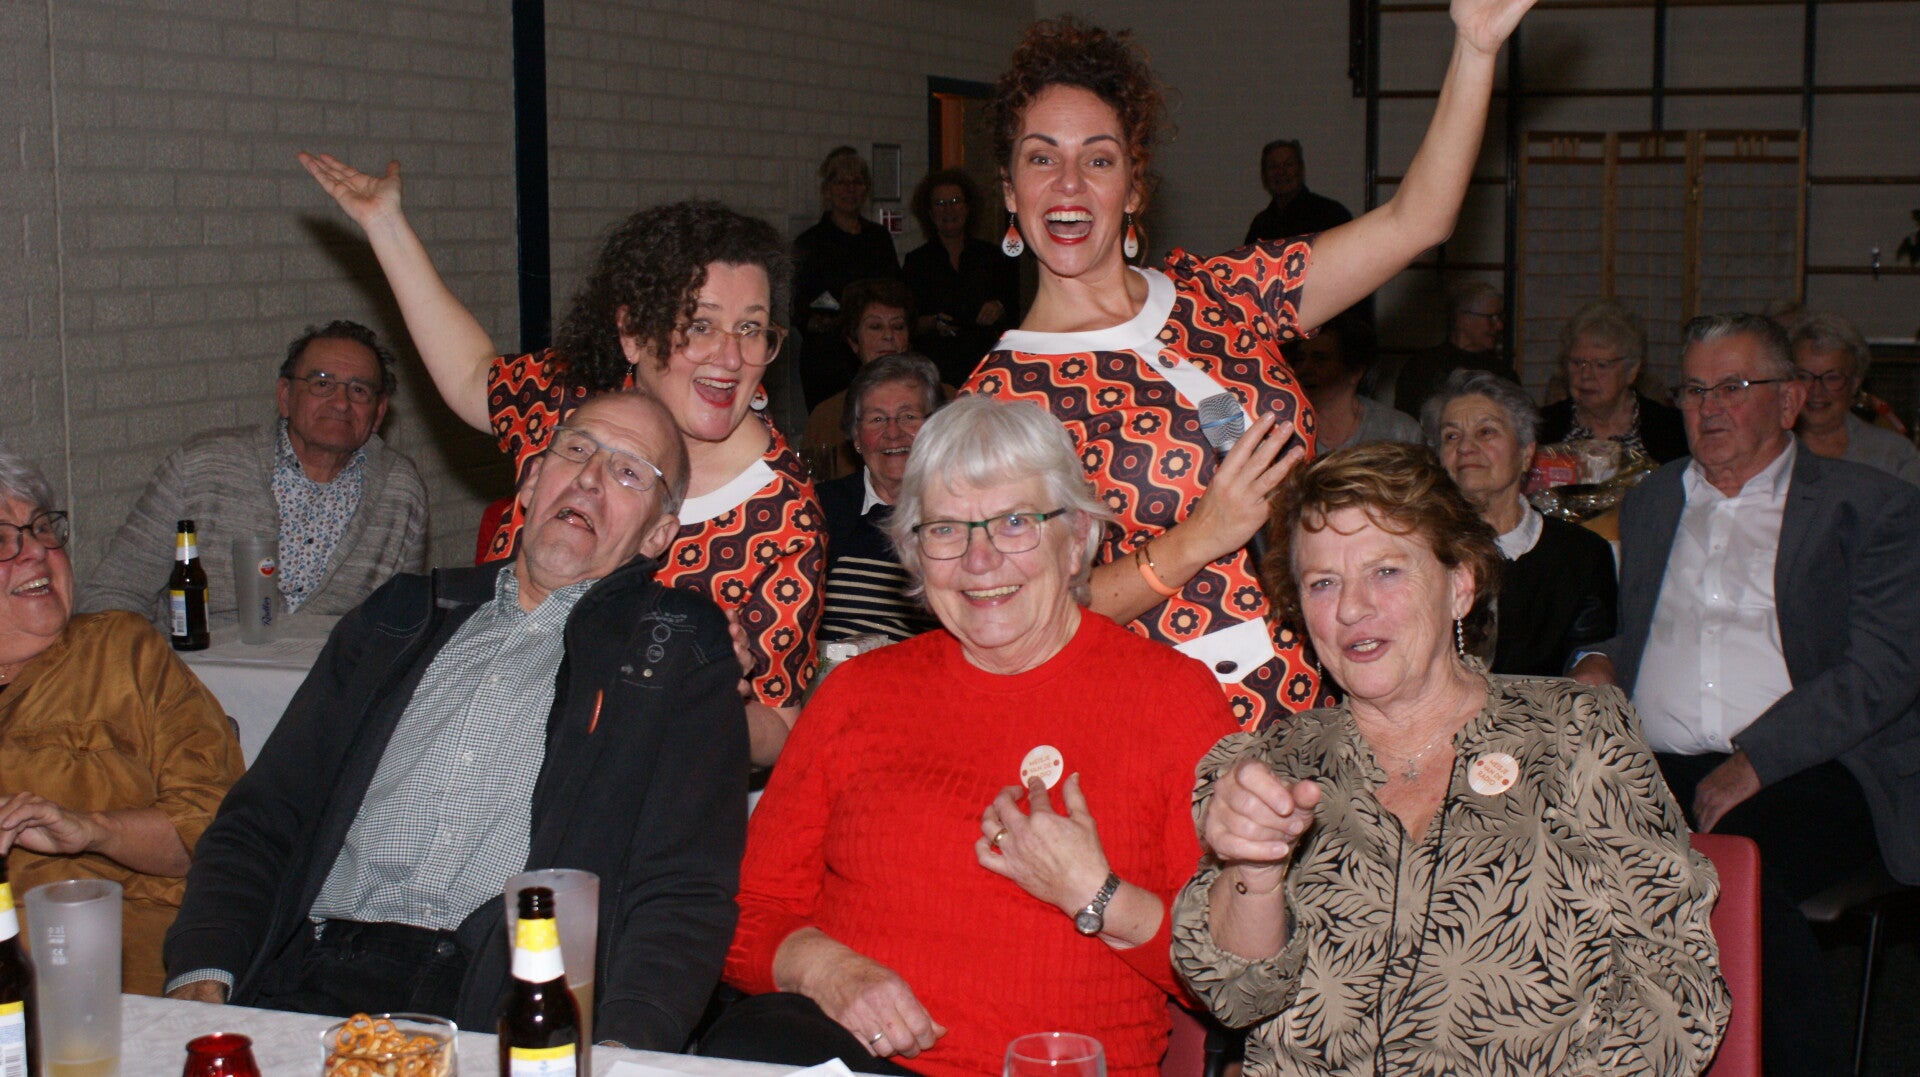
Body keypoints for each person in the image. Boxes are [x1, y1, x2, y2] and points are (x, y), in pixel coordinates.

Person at [966, 4, 1535, 731]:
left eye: (1098, 159)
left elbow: (1416, 220)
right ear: (1009, 190)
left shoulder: (1221, 292)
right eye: (1042, 158)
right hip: (1172, 729)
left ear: (1134, 188)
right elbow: (1019, 617)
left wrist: (1476, 47)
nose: (1069, 183)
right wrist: (1197, 539)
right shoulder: (999, 398)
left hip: (1334, 700)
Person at [164, 391, 748, 1050]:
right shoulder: (401, 616)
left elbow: (681, 889)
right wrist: (202, 975)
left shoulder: (673, 650)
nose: (589, 478)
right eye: (577, 449)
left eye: (629, 471)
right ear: (532, 480)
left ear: (657, 535)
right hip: (315, 980)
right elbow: (264, 817)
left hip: (500, 1001)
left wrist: (626, 1044)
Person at [705, 397, 1237, 1077]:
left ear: (1076, 535)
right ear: (914, 551)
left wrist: (1097, 894)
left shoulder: (1170, 700)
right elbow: (746, 911)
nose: (979, 560)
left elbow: (1233, 974)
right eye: (945, 530)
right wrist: (824, 968)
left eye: (1015, 522)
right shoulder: (856, 693)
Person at [1171, 441, 1728, 1076]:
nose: (1351, 608)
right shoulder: (1270, 769)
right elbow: (1236, 998)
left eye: (1385, 571)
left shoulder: (1575, 734)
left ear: (1460, 585)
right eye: (1323, 583)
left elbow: (1675, 988)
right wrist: (1255, 870)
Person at [299, 154, 823, 765]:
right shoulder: (574, 410)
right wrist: (386, 224)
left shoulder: (780, 515)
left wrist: (699, 694)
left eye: (751, 329)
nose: (730, 359)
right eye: (700, 325)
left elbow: (779, 725)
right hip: (472, 739)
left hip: (616, 785)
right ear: (632, 333)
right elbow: (471, 374)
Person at [1568, 312, 1920, 1075]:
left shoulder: (1871, 504)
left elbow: (1885, 667)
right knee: (1551, 847)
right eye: (1694, 389)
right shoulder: (1654, 500)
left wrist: (1757, 758)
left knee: (1729, 867)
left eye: (1733, 386)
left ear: (1788, 400)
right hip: (1660, 761)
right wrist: (1598, 659)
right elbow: (1645, 634)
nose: (1709, 407)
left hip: (1817, 766)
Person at [0, 446, 243, 995]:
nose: (35, 551)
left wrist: (91, 829)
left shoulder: (121, 653)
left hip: (117, 964)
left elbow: (218, 835)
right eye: (2, 540)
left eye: (41, 529)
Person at [80, 320, 428, 628]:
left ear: (378, 413)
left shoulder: (399, 491)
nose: (340, 402)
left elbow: (403, 622)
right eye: (321, 384)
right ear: (285, 396)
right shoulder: (202, 468)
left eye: (359, 390)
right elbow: (113, 594)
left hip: (337, 676)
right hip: (201, 673)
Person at [1426, 370, 1615, 675]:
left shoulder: (1581, 554)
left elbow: (1593, 654)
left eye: (1486, 432)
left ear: (1526, 454)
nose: (1465, 447)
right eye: (1451, 436)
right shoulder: (1421, 550)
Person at [816, 353, 945, 643]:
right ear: (856, 437)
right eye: (877, 419)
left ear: (936, 429)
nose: (893, 433)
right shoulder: (819, 509)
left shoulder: (961, 512)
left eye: (908, 416)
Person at [795, 147, 905, 410]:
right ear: (827, 190)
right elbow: (798, 307)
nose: (849, 189)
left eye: (856, 182)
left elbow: (896, 292)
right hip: (828, 359)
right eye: (841, 182)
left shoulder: (878, 238)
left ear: (865, 189)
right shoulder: (810, 242)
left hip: (875, 354)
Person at [902, 169, 1021, 388]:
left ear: (968, 208)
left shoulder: (991, 256)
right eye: (940, 203)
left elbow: (1015, 306)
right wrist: (933, 322)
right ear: (929, 212)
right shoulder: (916, 261)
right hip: (936, 371)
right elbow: (907, 321)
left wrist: (998, 307)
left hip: (986, 367)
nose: (948, 209)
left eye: (956, 201)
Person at [1535, 299, 1688, 463]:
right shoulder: (1540, 428)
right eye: (1577, 363)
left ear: (1631, 370)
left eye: (1601, 365)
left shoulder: (1673, 431)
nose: (1585, 374)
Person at [803, 278, 918, 481]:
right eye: (875, 326)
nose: (888, 335)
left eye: (898, 327)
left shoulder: (946, 401)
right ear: (854, 341)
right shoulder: (825, 417)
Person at [1790, 311, 1920, 484]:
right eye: (1804, 376)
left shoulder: (1893, 455)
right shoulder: (1765, 448)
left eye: (1832, 378)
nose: (1816, 390)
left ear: (1854, 384)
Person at [1287, 311, 1420, 452]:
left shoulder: (1399, 431)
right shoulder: (1284, 426)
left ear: (1355, 372)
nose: (1304, 369)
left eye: (1320, 359)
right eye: (1300, 359)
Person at [1391, 279, 1517, 417]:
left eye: (1500, 317)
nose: (1499, 326)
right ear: (1462, 318)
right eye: (1491, 318)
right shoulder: (1421, 368)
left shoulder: (1502, 373)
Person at [1241, 139, 1352, 247]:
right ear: (1264, 176)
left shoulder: (1331, 214)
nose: (1281, 172)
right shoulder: (1261, 224)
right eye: (1273, 166)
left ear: (1301, 170)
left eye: (1288, 164)